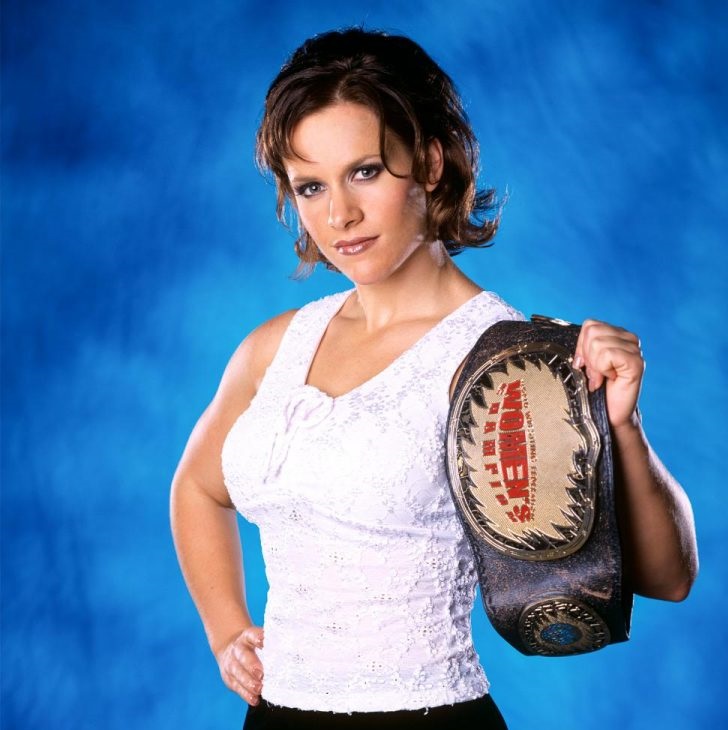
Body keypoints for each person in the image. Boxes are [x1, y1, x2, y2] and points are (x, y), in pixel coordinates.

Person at [170, 27, 698, 729]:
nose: (339, 215)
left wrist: (622, 428)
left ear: (429, 163)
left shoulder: (511, 358)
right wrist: (226, 630)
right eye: (311, 186)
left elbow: (668, 577)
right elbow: (198, 487)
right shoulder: (274, 347)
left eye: (365, 172)